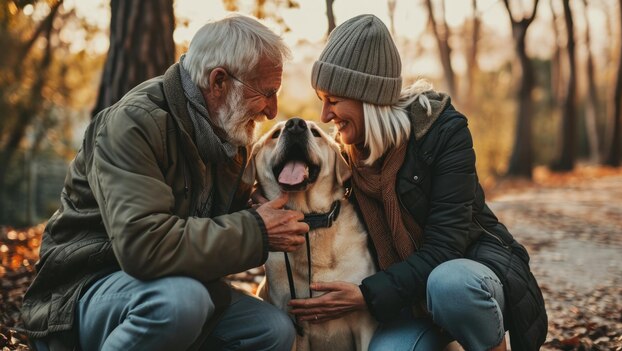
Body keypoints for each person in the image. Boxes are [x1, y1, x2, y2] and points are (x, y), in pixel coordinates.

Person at [20, 14, 310, 351]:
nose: (273, 111)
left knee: (272, 330)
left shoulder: (229, 134)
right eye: (266, 93)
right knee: (182, 303)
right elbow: (144, 246)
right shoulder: (133, 124)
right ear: (218, 82)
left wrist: (260, 207)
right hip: (83, 293)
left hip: (175, 289)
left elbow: (221, 224)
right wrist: (257, 230)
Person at [288, 14, 547, 351]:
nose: (324, 115)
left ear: (369, 99)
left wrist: (366, 294)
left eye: (333, 100)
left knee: (450, 285)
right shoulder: (346, 159)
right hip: (405, 302)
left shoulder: (442, 133)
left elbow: (445, 249)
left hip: (468, 278)